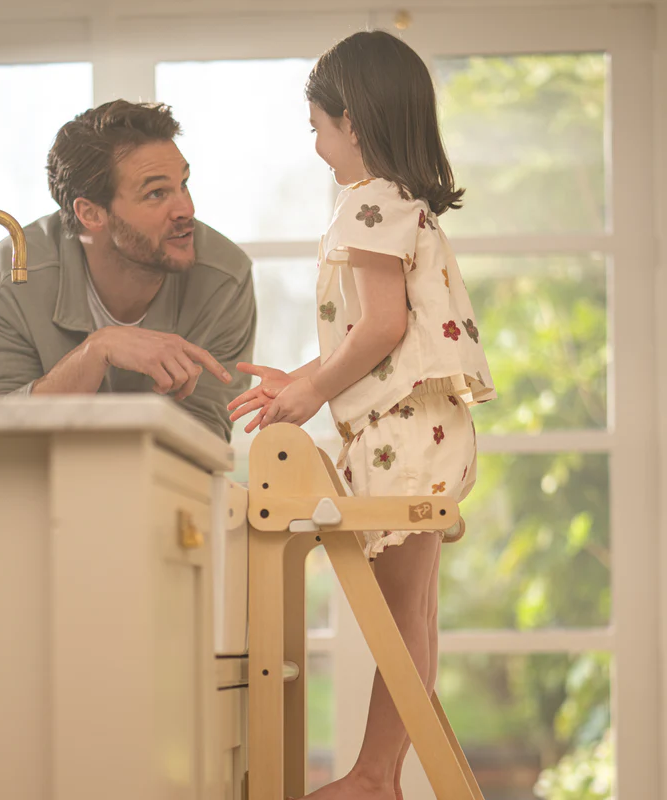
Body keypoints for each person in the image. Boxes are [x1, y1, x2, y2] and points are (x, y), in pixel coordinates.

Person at [228, 31, 496, 800]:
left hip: (404, 435)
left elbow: (377, 330)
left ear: (352, 120)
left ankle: (376, 775)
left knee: (395, 619)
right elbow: (393, 335)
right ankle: (385, 774)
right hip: (430, 428)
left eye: (316, 127)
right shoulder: (404, 205)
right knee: (412, 615)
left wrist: (312, 391)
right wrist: (307, 374)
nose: (316, 146)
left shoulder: (368, 205)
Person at [0, 100, 256, 442]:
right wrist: (96, 351)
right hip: (34, 491)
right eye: (157, 193)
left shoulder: (224, 278)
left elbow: (205, 439)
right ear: (91, 214)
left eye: (184, 184)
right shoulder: (13, 272)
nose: (186, 209)